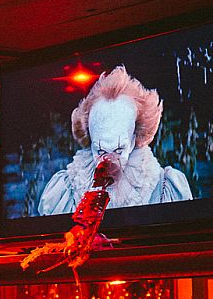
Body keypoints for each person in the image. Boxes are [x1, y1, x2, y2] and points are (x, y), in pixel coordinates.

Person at [37, 65, 193, 215]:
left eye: (119, 150)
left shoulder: (165, 187)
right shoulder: (65, 191)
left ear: (133, 140)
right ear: (89, 139)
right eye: (100, 151)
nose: (109, 162)